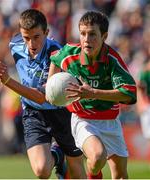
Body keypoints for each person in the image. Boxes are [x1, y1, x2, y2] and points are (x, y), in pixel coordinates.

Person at [0, 9, 86, 179]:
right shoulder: (15, 44)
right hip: (33, 114)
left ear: (46, 33)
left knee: (77, 172)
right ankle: (58, 155)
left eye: (36, 37)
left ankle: (63, 157)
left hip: (61, 112)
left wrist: (7, 81)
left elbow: (43, 96)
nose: (31, 43)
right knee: (41, 171)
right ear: (20, 34)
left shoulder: (55, 52)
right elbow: (1, 51)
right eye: (26, 37)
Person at [48, 10, 137, 179]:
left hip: (110, 121)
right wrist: (51, 86)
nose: (86, 39)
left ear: (104, 36)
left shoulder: (112, 60)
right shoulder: (70, 53)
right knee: (97, 156)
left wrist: (93, 93)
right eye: (82, 34)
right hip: (83, 119)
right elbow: (54, 58)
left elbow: (129, 93)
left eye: (92, 34)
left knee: (120, 176)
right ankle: (92, 173)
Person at [136, 60, 150, 141]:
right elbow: (139, 89)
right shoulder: (145, 74)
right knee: (148, 134)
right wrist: (140, 104)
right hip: (147, 104)